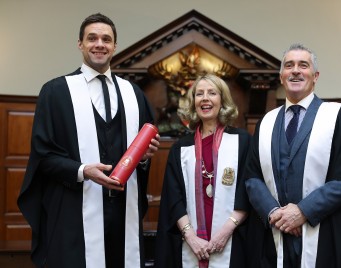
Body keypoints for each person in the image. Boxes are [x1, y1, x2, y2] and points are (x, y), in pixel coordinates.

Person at [17, 13, 160, 268]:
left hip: (123, 213)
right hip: (74, 210)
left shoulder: (134, 94)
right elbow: (43, 157)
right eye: (92, 38)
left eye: (106, 39)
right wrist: (83, 171)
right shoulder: (56, 92)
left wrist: (146, 158)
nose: (99, 44)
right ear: (80, 44)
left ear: (115, 46)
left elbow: (140, 159)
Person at [245, 43, 341, 267]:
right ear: (282, 76)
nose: (295, 70)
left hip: (325, 232)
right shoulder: (265, 122)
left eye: (303, 65)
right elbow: (252, 176)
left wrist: (303, 211)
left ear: (315, 76)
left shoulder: (340, 116)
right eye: (289, 66)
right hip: (275, 234)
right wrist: (275, 213)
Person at [154, 74, 251, 268]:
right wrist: (191, 237)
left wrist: (225, 233)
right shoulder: (181, 148)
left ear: (222, 100)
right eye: (199, 94)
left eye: (212, 93)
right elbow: (174, 199)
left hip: (233, 240)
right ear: (193, 103)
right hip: (189, 244)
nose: (205, 98)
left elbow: (248, 191)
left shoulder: (243, 141)